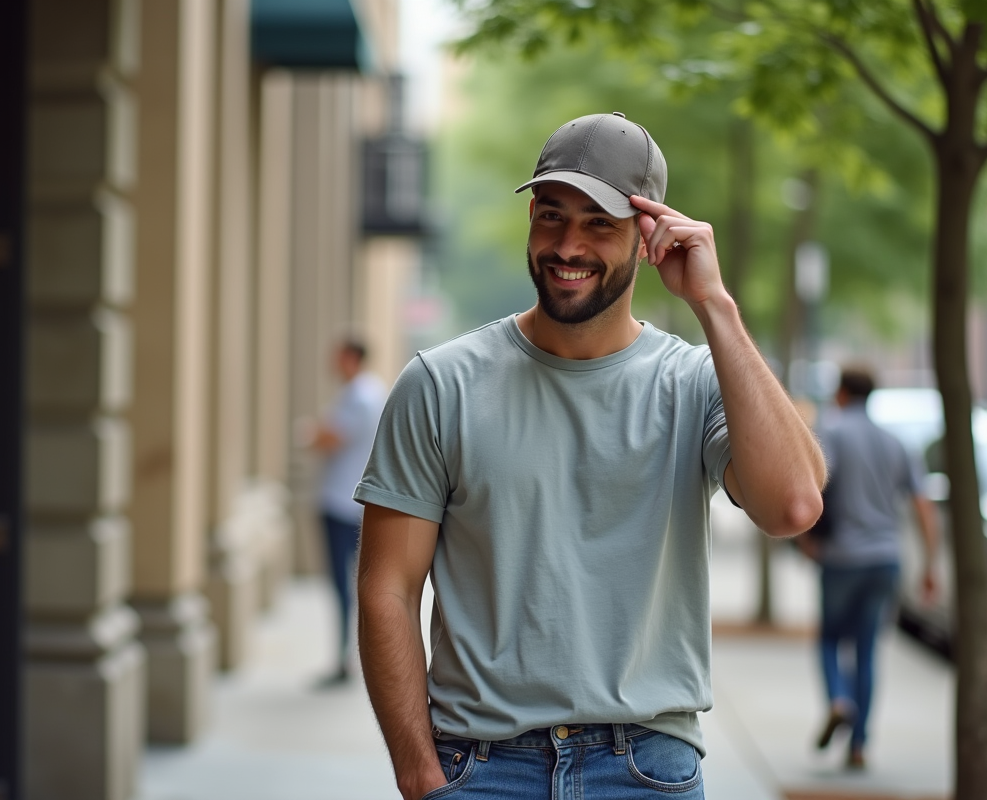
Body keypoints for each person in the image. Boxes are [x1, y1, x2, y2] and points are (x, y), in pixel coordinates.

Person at [354, 112, 826, 800]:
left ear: (648, 237)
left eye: (599, 222)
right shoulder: (441, 384)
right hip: (480, 768)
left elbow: (793, 506)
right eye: (551, 216)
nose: (567, 244)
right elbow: (386, 589)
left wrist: (715, 306)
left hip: (645, 767)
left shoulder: (693, 382)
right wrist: (419, 775)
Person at [802, 367, 939, 770]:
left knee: (829, 640)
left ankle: (839, 700)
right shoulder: (897, 443)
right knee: (866, 651)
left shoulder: (835, 433)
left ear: (843, 393)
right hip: (886, 559)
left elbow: (816, 488)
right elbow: (923, 506)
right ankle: (859, 745)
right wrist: (931, 564)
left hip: (843, 558)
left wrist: (808, 539)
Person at [308, 338, 386, 686]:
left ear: (352, 358)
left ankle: (345, 660)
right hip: (357, 500)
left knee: (345, 586)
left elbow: (328, 439)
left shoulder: (359, 396)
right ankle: (354, 658)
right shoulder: (372, 391)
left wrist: (308, 436)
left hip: (341, 501)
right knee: (358, 584)